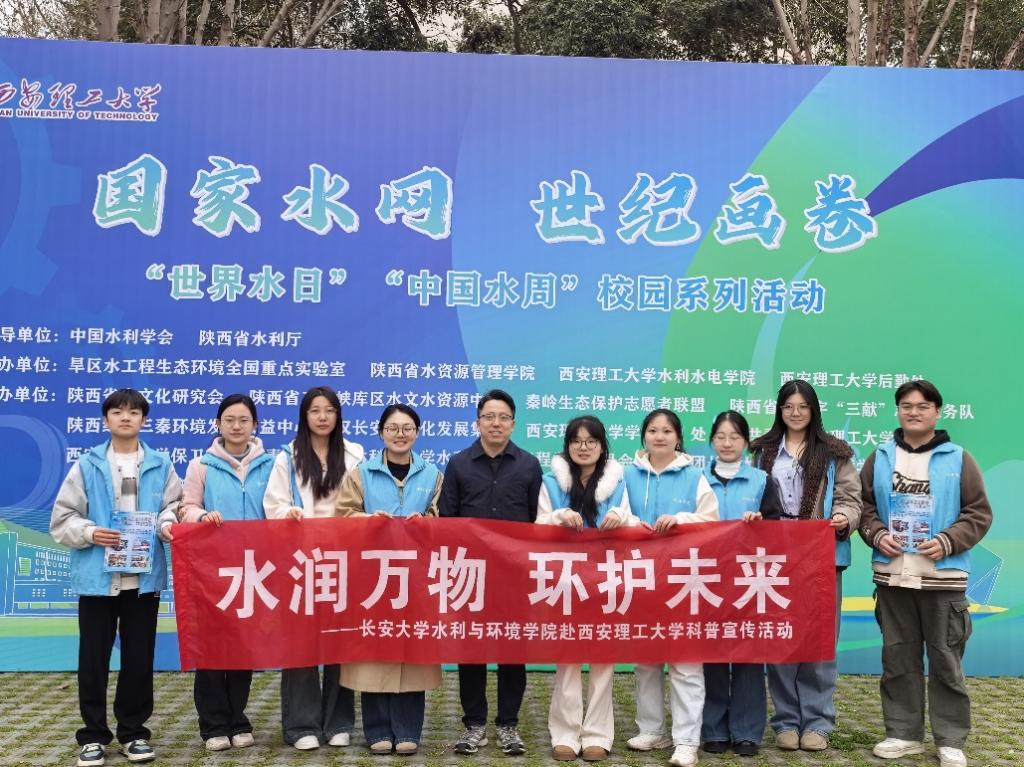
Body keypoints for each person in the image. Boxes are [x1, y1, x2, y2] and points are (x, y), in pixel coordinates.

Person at [858, 380, 992, 767]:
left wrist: (948, 541)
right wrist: (877, 534)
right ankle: (903, 734)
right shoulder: (881, 457)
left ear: (937, 412)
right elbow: (864, 506)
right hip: (893, 576)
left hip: (942, 579)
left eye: (922, 406)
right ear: (897, 411)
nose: (913, 412)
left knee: (946, 660)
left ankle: (950, 739)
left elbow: (978, 512)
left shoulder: (959, 458)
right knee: (898, 658)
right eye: (906, 406)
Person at [50, 388, 181, 767]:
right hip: (97, 579)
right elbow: (63, 518)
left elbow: (173, 507)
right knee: (93, 659)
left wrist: (166, 525)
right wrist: (92, 533)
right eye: (118, 411)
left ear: (144, 420)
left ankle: (133, 733)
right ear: (105, 419)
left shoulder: (160, 463)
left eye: (134, 412)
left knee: (139, 659)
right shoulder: (87, 464)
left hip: (143, 579)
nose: (126, 417)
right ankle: (92, 736)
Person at [749, 379, 860, 752]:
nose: (795, 413)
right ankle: (785, 720)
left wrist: (844, 517)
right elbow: (751, 495)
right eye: (788, 407)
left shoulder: (834, 452)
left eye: (803, 406)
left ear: (814, 410)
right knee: (780, 637)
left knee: (819, 639)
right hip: (775, 559)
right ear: (779, 410)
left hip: (820, 555)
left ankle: (817, 721)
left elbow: (850, 498)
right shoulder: (762, 451)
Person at [334, 404, 443, 756]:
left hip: (416, 577)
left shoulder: (432, 475)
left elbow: (443, 517)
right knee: (373, 649)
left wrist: (427, 523)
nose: (400, 434)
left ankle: (408, 729)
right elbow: (343, 515)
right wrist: (367, 521)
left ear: (417, 433)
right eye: (393, 428)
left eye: (407, 428)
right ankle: (378, 729)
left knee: (413, 650)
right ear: (381, 433)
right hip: (374, 577)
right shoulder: (361, 473)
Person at [439, 389, 543, 756]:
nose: (495, 423)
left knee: (512, 649)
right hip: (471, 575)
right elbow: (447, 520)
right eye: (489, 417)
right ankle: (474, 725)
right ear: (478, 422)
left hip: (515, 575)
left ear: (513, 424)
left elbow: (536, 520)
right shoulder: (458, 464)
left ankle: (508, 725)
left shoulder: (529, 465)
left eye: (503, 417)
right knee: (472, 650)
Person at [264, 386, 365, 751]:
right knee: (301, 644)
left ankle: (338, 722)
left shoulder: (355, 455)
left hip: (343, 561)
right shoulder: (287, 457)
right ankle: (301, 725)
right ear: (304, 416)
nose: (322, 417)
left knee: (340, 641)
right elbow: (272, 505)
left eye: (329, 410)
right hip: (301, 562)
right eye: (315, 410)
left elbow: (363, 502)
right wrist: (287, 513)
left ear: (338, 416)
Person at [623, 408, 719, 767]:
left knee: (685, 663)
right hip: (642, 578)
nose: (659, 436)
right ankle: (651, 730)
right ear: (643, 436)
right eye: (652, 430)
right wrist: (633, 524)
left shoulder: (695, 476)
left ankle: (686, 741)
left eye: (666, 431)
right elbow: (616, 516)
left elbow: (711, 521)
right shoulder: (628, 475)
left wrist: (680, 520)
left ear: (678, 438)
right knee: (646, 660)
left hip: (684, 580)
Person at [179, 394, 273, 752]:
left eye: (244, 420)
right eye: (229, 420)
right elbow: (187, 507)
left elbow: (278, 507)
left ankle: (238, 718)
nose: (236, 426)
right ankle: (213, 724)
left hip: (255, 571)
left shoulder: (271, 465)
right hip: (213, 570)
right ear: (218, 424)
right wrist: (202, 516)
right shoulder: (201, 466)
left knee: (242, 649)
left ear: (255, 425)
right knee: (212, 648)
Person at [537, 416, 634, 762]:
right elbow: (537, 525)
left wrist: (622, 518)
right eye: (576, 441)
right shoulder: (551, 482)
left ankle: (597, 734)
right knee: (567, 658)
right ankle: (565, 733)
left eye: (591, 441)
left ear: (602, 445)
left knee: (603, 660)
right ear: (567, 445)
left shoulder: (618, 481)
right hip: (564, 581)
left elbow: (633, 522)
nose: (583, 447)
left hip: (607, 579)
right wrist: (558, 517)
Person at [700, 410, 784, 758]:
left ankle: (748, 732)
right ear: (711, 441)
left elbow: (777, 529)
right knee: (713, 654)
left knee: (749, 654)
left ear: (746, 442)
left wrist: (760, 522)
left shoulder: (762, 480)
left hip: (750, 579)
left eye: (734, 436)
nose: (727, 443)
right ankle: (714, 729)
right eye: (721, 436)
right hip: (706, 579)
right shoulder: (697, 479)